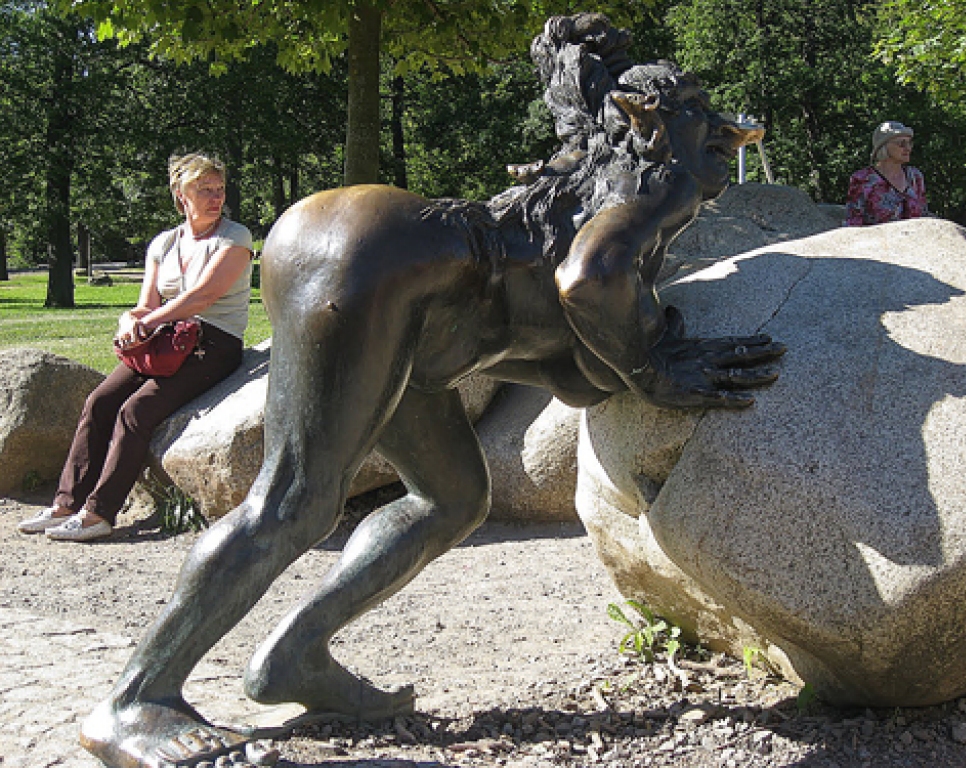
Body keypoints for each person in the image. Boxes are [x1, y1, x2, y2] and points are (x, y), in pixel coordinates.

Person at [79, 16, 784, 768]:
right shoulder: (655, 185)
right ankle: (135, 700)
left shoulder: (585, 193)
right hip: (381, 261)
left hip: (404, 312)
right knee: (293, 502)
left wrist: (618, 356)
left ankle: (295, 656)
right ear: (658, 128)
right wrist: (656, 366)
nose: (721, 140)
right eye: (705, 123)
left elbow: (562, 359)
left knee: (453, 498)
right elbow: (591, 279)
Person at [17, 152, 254, 542]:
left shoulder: (234, 237)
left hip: (213, 343)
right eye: (204, 189)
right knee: (100, 402)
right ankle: (65, 504)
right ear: (181, 195)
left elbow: (203, 296)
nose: (215, 197)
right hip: (165, 341)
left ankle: (99, 514)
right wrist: (131, 321)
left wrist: (149, 321)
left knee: (136, 411)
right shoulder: (164, 243)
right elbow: (147, 303)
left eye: (219, 188)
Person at [845, 120, 929, 226]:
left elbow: (924, 217)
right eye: (901, 144)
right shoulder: (862, 179)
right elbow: (853, 222)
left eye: (909, 143)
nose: (908, 148)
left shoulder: (915, 177)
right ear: (884, 146)